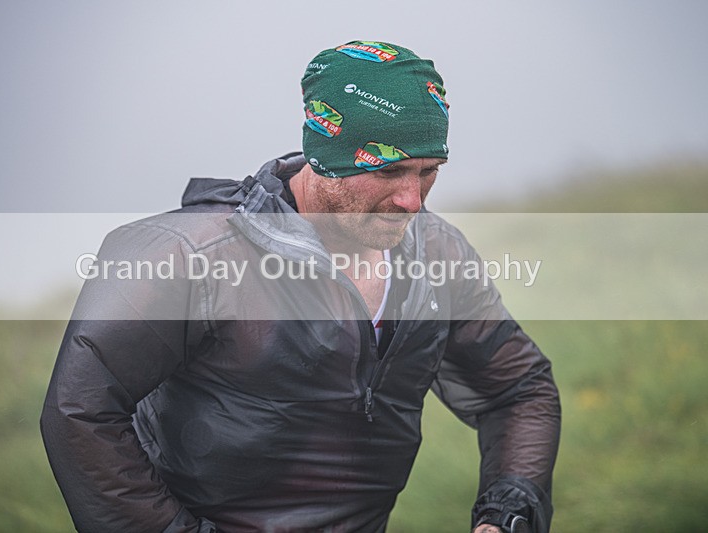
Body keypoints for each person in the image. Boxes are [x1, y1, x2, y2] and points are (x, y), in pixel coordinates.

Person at [41, 41, 560, 533]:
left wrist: (506, 513)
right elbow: (80, 411)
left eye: (428, 171)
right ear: (325, 160)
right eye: (389, 171)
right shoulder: (189, 254)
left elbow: (517, 390)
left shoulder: (437, 254)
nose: (411, 200)